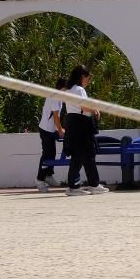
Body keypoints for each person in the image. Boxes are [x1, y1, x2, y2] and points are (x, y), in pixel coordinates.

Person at [63, 65, 107, 196]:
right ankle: (73, 186)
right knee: (81, 154)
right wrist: (95, 110)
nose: (89, 80)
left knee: (88, 154)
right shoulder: (79, 90)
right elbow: (84, 106)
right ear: (82, 77)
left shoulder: (69, 90)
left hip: (72, 122)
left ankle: (94, 184)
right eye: (88, 77)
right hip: (81, 123)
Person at [36, 76, 67, 192]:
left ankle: (48, 175)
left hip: (51, 130)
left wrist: (59, 129)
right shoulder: (56, 97)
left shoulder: (58, 96)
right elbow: (55, 116)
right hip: (46, 130)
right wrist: (60, 130)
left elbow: (57, 117)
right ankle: (39, 179)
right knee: (46, 154)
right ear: (63, 87)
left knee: (52, 153)